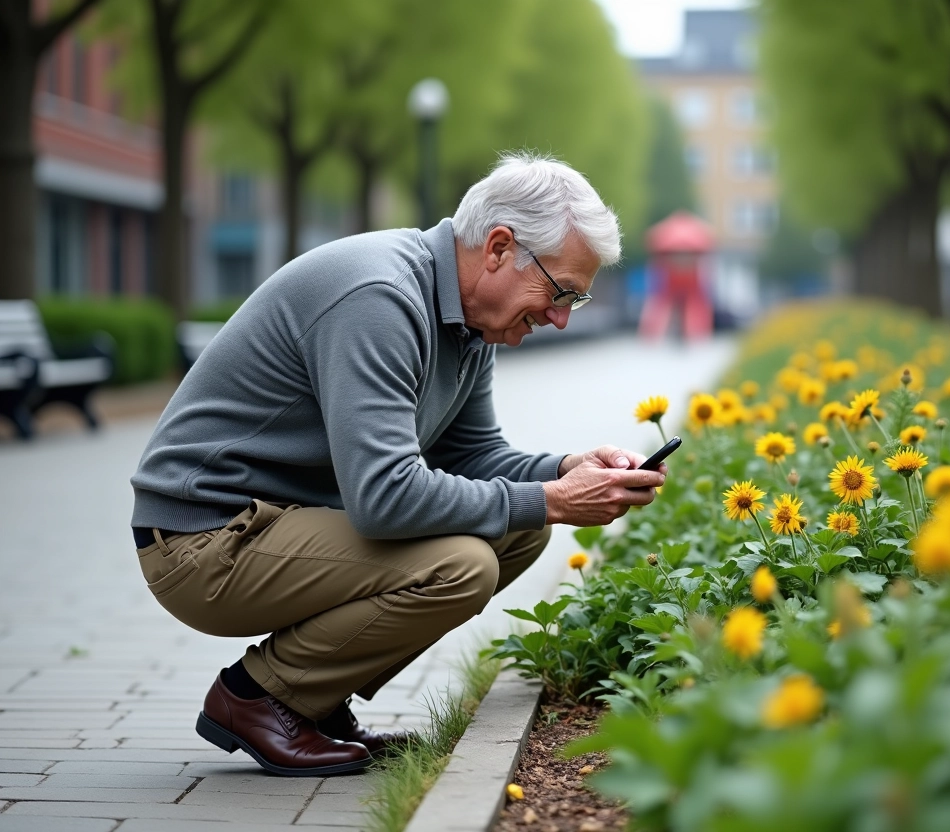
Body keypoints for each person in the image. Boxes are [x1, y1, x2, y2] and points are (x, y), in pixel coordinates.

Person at [129, 153, 665, 776]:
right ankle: (258, 698)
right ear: (498, 248)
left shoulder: (466, 321)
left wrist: (567, 468)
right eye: (561, 290)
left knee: (519, 529)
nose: (561, 315)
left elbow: (473, 457)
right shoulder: (380, 297)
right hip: (205, 539)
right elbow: (385, 498)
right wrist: (554, 498)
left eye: (576, 296)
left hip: (282, 521)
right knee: (461, 565)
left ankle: (313, 698)